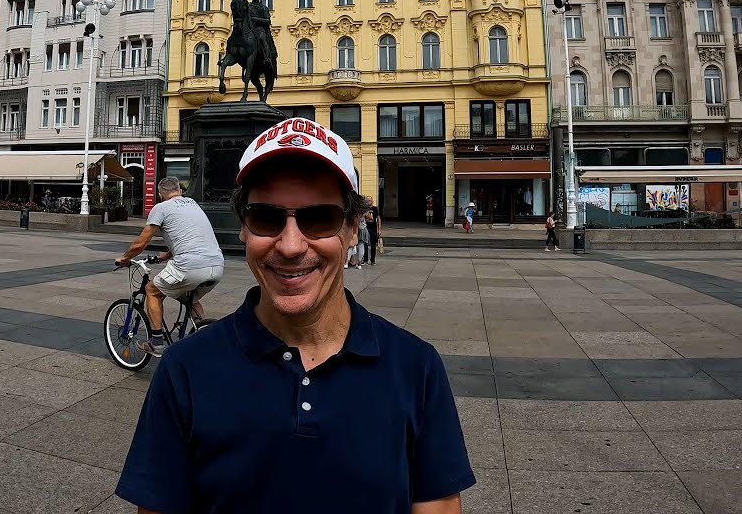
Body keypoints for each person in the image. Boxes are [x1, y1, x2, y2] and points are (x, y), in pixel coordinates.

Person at [117, 117, 474, 513]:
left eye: (319, 218)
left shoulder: (416, 368)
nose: (289, 245)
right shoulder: (184, 370)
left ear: (353, 229)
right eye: (266, 218)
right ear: (243, 229)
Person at [115, 176, 224, 357]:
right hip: (216, 265)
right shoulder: (192, 203)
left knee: (152, 290)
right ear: (180, 191)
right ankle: (203, 331)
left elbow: (141, 242)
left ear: (160, 195)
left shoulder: (161, 208)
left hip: (189, 266)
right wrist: (165, 256)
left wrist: (125, 258)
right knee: (190, 298)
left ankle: (156, 342)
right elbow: (191, 237)